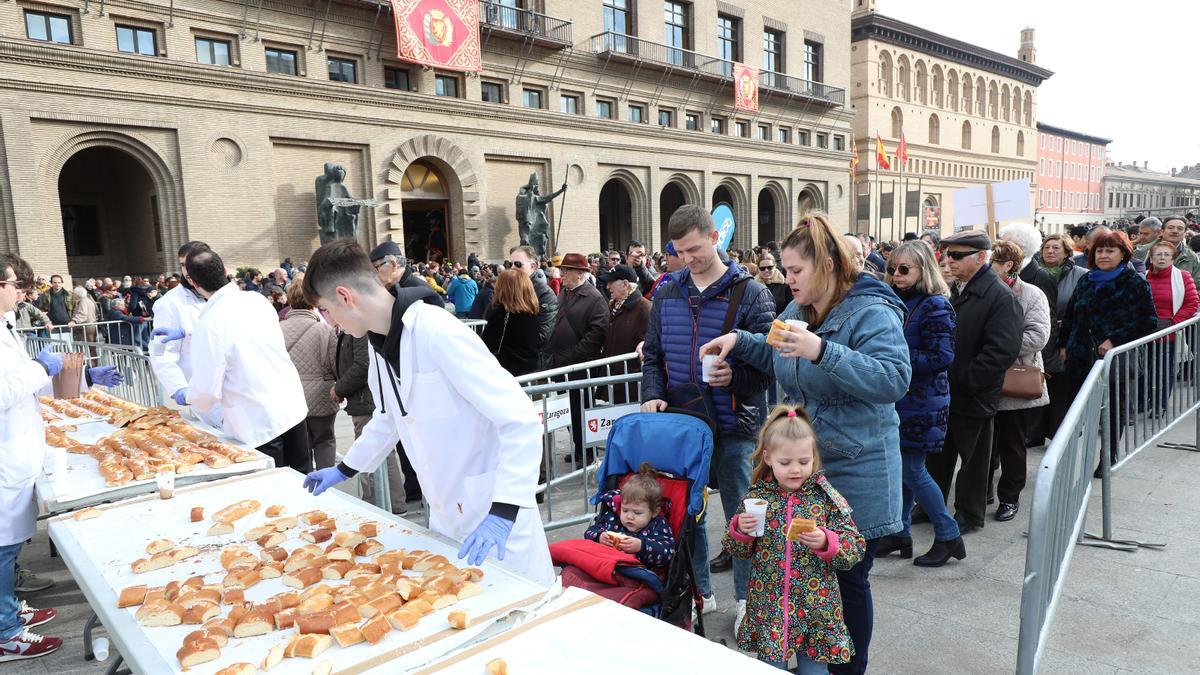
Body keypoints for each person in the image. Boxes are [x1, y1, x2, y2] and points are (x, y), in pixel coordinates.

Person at [703, 213, 908, 674]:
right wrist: (739, 342)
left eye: (796, 270)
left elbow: (894, 379)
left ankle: (848, 668)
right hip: (809, 469)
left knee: (848, 580)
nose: (787, 278)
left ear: (829, 265)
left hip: (858, 471)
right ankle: (816, 663)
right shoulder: (799, 309)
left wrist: (823, 350)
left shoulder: (872, 311)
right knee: (811, 576)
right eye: (786, 269)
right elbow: (775, 346)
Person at [299, 240, 554, 584]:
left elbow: (519, 417)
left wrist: (504, 511)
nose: (330, 323)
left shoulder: (436, 330)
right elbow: (390, 416)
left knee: (521, 613)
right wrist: (345, 469)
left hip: (493, 511)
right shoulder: (377, 342)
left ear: (345, 296)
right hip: (447, 512)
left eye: (327, 311)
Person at [642, 205, 775, 625]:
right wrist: (652, 395)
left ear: (716, 237)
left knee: (743, 514)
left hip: (737, 424)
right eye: (679, 252)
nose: (687, 259)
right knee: (688, 514)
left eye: (695, 249)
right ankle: (700, 592)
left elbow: (769, 366)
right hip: (684, 423)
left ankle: (749, 601)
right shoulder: (667, 291)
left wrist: (731, 376)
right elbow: (653, 357)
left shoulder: (751, 292)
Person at [722, 406, 865, 673]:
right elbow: (736, 551)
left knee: (815, 672)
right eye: (785, 463)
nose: (795, 470)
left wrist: (827, 541)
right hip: (769, 609)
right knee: (770, 669)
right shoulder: (757, 497)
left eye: (803, 461)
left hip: (816, 608)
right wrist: (740, 530)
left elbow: (855, 546)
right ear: (768, 457)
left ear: (814, 457)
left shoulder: (825, 497)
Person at [167, 248, 311, 472]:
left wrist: (186, 394)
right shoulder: (257, 301)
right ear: (225, 270)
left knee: (276, 495)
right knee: (303, 483)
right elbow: (242, 335)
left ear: (193, 282)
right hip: (291, 407)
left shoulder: (210, 324)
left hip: (257, 421)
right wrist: (189, 333)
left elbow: (206, 391)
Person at [925, 230, 1022, 534]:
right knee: (938, 455)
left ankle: (968, 513)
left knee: (974, 462)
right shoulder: (957, 289)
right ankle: (931, 506)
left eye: (956, 255)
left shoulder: (1000, 296)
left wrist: (966, 380)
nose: (947, 260)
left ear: (981, 258)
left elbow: (1001, 351)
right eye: (946, 254)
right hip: (948, 390)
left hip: (973, 392)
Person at [876, 241, 964, 567]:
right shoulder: (897, 301)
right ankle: (899, 533)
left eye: (904, 269)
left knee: (912, 469)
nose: (896, 275)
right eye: (892, 268)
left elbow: (942, 357)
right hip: (902, 399)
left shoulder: (936, 305)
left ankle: (947, 533)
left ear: (922, 269)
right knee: (905, 470)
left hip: (923, 400)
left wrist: (895, 359)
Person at [0, 253, 63, 663]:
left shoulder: (6, 325)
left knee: (11, 541)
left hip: (18, 447)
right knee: (1, 546)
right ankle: (6, 632)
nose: (21, 293)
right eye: (14, 285)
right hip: (5, 452)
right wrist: (41, 366)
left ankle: (8, 610)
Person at [1058, 229, 1158, 476]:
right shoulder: (1086, 280)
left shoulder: (1134, 282)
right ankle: (1075, 457)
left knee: (1113, 410)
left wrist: (1115, 339)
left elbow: (1148, 320)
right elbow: (1071, 316)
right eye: (1100, 250)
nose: (1103, 255)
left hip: (1116, 359)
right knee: (1079, 408)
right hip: (1081, 355)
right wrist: (1063, 345)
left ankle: (1108, 456)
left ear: (1123, 254)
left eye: (1110, 250)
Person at [985, 240, 1050, 523]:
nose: (986, 269)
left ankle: (1009, 497)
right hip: (983, 378)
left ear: (1008, 265)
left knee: (1012, 443)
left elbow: (1038, 336)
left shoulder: (1031, 294)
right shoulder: (979, 291)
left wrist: (996, 348)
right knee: (983, 444)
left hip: (1014, 378)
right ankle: (981, 491)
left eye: (992, 263)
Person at [998, 222, 1059, 448]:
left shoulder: (1038, 278)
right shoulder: (994, 280)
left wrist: (997, 346)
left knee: (1014, 436)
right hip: (994, 370)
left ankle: (1012, 481)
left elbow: (1043, 327)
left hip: (1020, 366)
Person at [149, 242, 222, 424]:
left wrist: (188, 332)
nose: (188, 271)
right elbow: (161, 352)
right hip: (204, 395)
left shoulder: (224, 296)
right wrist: (178, 387)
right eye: (183, 265)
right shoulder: (169, 303)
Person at [280, 283, 339, 470]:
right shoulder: (324, 330)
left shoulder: (276, 329)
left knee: (300, 447)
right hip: (321, 396)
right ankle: (326, 487)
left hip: (289, 396)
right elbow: (335, 364)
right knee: (325, 440)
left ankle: (305, 486)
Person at [1036, 234, 1088, 438]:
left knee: (1061, 387)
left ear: (1067, 252)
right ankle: (1036, 432)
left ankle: (1059, 432)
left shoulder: (1081, 274)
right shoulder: (1035, 274)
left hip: (1065, 337)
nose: (1050, 251)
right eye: (1046, 247)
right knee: (1038, 384)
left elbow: (1081, 308)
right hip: (1041, 337)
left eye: (1056, 248)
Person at [584, 463, 675, 570]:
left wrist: (641, 547)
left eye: (637, 513)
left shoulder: (658, 524)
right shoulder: (614, 518)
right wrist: (599, 536)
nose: (629, 516)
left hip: (639, 572)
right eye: (625, 510)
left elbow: (668, 552)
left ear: (654, 512)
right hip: (606, 564)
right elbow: (590, 532)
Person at [1143, 240, 1197, 413]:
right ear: (1151, 258)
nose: (1162, 258)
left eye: (1167, 255)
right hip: (1144, 331)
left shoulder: (1182, 276)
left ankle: (1161, 404)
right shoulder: (1143, 276)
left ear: (1173, 259)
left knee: (1164, 369)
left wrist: (1174, 324)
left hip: (1169, 330)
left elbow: (1192, 303)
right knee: (1146, 369)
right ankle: (1147, 401)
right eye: (1158, 254)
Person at [595, 264, 651, 404]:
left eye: (611, 282)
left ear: (625, 284)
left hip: (630, 387)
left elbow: (651, 342)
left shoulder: (644, 309)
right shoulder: (615, 305)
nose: (607, 286)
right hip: (614, 382)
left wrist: (644, 343)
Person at [481, 269, 543, 377]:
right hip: (531, 371)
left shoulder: (500, 312)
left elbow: (488, 344)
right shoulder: (533, 310)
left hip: (507, 372)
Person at [508, 245, 557, 369]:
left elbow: (541, 336)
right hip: (510, 363)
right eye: (511, 264)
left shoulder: (545, 294)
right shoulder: (508, 290)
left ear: (533, 266)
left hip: (533, 366)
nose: (513, 268)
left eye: (518, 264)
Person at [1136, 216, 1200, 286]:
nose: (1175, 231)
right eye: (1170, 228)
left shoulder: (1192, 257)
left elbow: (1197, 286)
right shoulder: (1141, 252)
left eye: (1180, 228)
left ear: (1185, 233)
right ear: (1162, 231)